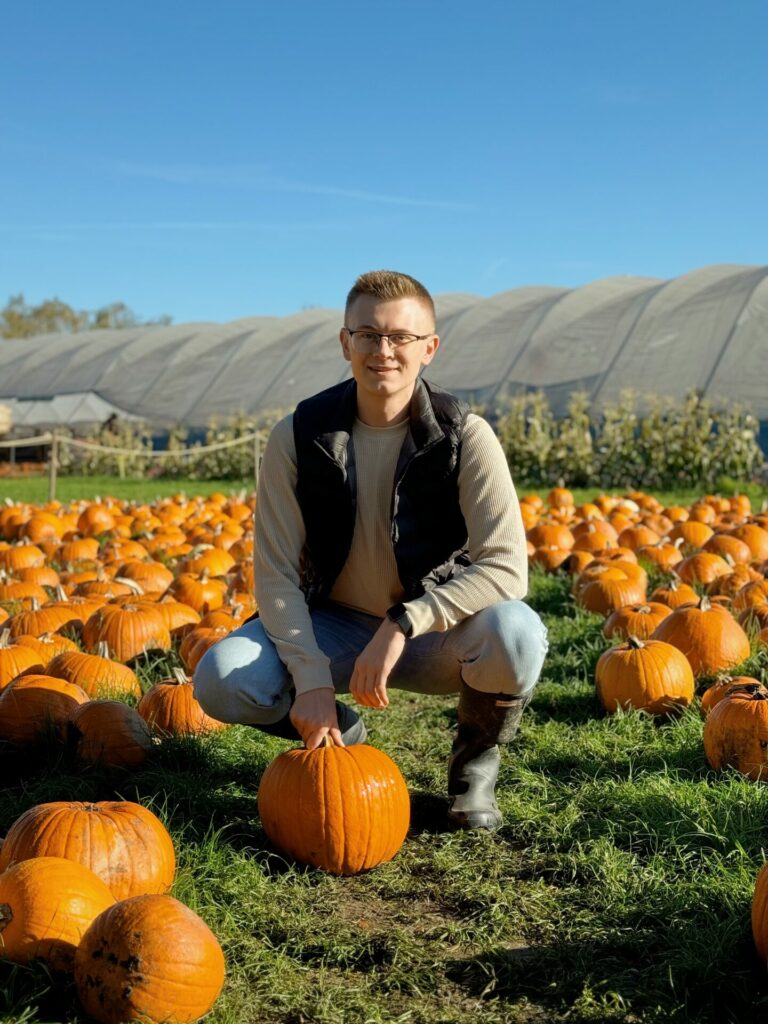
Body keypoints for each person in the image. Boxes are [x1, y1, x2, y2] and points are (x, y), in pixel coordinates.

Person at [194, 270, 548, 831]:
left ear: (429, 348)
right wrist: (310, 680)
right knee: (222, 677)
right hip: (332, 626)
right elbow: (278, 571)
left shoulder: (464, 436)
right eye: (368, 335)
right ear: (346, 343)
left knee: (517, 633)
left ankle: (473, 765)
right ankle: (343, 730)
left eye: (401, 337)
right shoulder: (299, 434)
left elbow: (507, 565)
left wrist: (405, 621)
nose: (384, 350)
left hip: (432, 635)